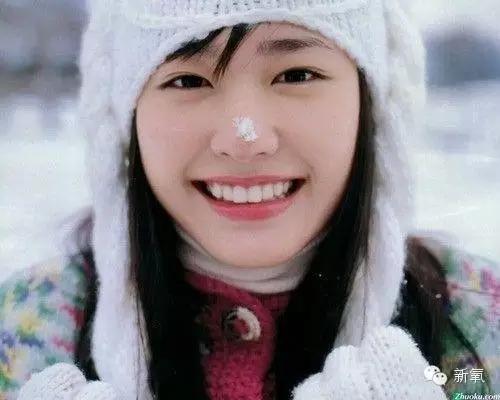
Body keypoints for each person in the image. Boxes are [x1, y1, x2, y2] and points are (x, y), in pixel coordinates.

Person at [0, 0, 498, 399]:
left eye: (296, 75)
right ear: (125, 119)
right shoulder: (21, 332)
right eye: (187, 80)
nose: (245, 138)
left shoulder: (483, 328)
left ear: (372, 103)